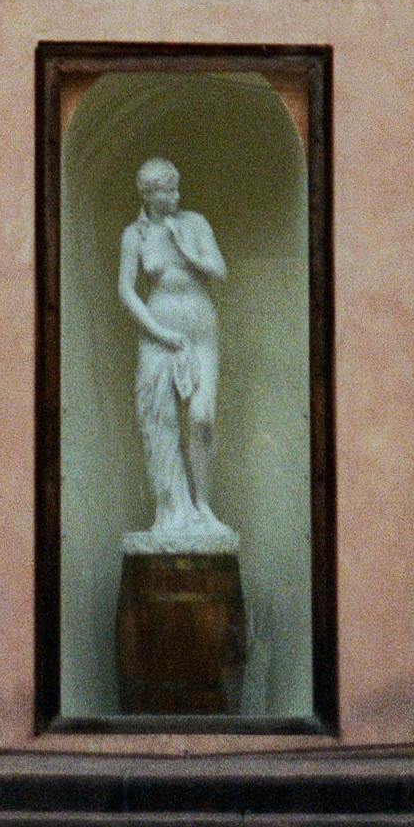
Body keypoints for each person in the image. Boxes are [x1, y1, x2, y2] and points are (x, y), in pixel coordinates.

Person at [117, 159, 237, 551]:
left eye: (176, 189)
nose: (176, 196)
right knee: (162, 421)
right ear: (148, 195)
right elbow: (126, 292)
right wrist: (160, 333)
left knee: (202, 418)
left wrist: (187, 250)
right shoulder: (134, 236)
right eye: (167, 191)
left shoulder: (195, 224)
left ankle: (202, 505)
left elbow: (220, 271)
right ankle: (172, 513)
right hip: (159, 334)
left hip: (200, 329)